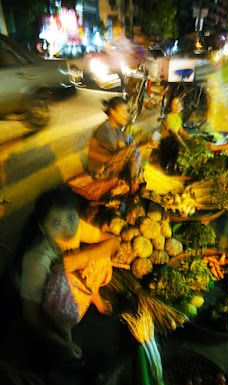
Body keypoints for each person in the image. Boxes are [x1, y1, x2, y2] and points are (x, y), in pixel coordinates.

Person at [18, 186, 120, 362]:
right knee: (62, 308)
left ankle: (92, 294)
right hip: (50, 297)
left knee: (100, 259)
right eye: (57, 224)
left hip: (73, 279)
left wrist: (82, 258)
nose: (69, 229)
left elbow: (113, 242)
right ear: (43, 228)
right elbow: (31, 318)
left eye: (71, 217)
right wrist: (64, 344)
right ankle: (65, 332)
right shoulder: (37, 260)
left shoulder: (75, 226)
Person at [88, 97, 146, 195]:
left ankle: (135, 182)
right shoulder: (105, 129)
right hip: (100, 172)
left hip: (111, 166)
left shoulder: (117, 127)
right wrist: (108, 159)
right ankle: (135, 186)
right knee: (133, 150)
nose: (127, 115)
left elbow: (123, 148)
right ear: (113, 112)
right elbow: (90, 153)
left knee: (130, 141)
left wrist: (124, 155)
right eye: (124, 112)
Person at [160, 97, 195, 173]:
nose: (177, 106)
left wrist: (192, 139)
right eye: (174, 104)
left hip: (172, 141)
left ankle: (171, 167)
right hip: (166, 143)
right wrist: (185, 146)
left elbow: (181, 131)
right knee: (175, 144)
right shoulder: (169, 117)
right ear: (169, 107)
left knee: (177, 143)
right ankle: (165, 167)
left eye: (179, 103)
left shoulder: (177, 117)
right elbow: (175, 134)